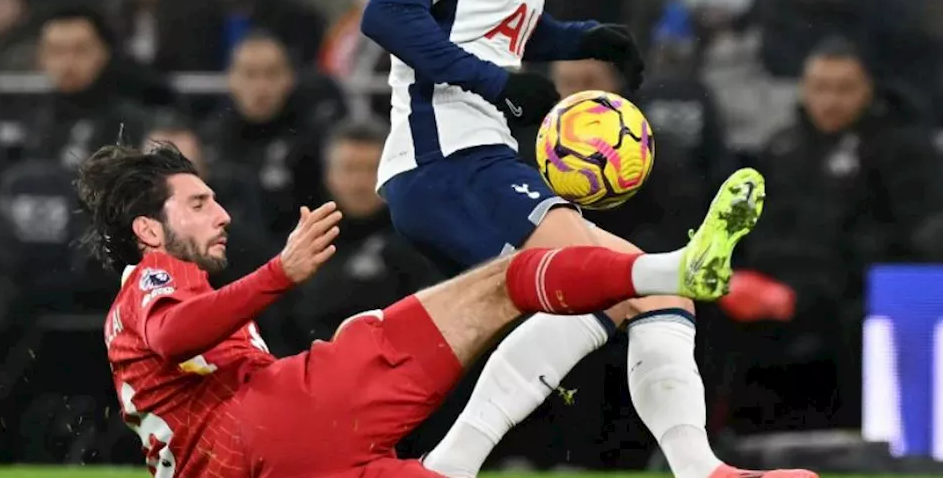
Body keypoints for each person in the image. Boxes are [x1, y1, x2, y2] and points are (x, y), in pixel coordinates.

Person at [359, 0, 814, 478]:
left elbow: (495, 27)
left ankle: (692, 467)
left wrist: (578, 39)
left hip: (475, 161)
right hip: (445, 161)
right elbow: (387, 13)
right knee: (620, 282)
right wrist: (497, 86)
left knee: (633, 296)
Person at [84, 142, 766, 478]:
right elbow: (174, 334)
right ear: (149, 229)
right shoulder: (156, 273)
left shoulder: (127, 313)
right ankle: (675, 270)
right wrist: (279, 272)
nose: (222, 214)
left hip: (262, 462)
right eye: (199, 203)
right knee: (504, 283)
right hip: (276, 424)